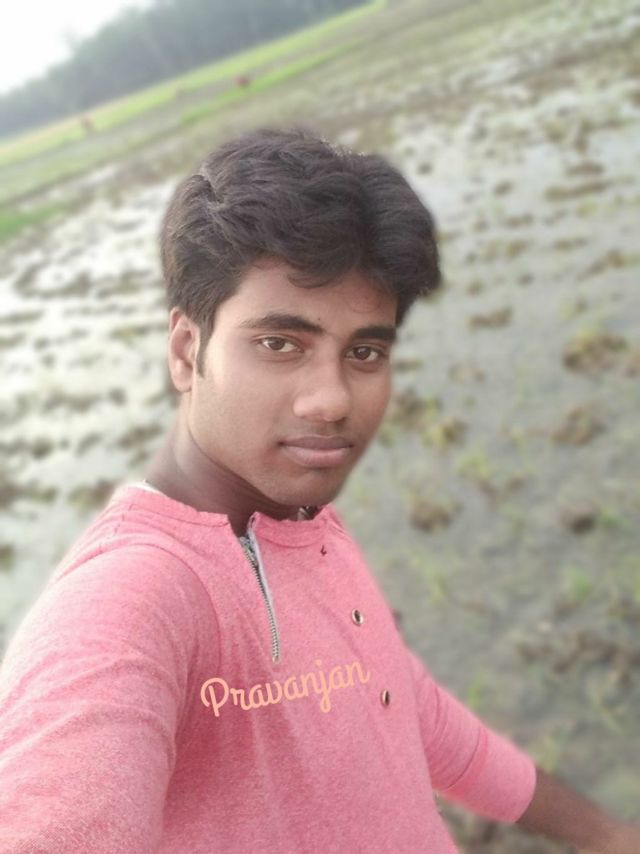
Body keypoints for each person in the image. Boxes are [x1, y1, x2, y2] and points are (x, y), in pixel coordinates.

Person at [0, 126, 637, 853]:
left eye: (363, 351)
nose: (332, 399)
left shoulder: (306, 521)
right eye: (280, 344)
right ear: (186, 350)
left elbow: (405, 709)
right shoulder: (130, 599)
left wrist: (609, 835)